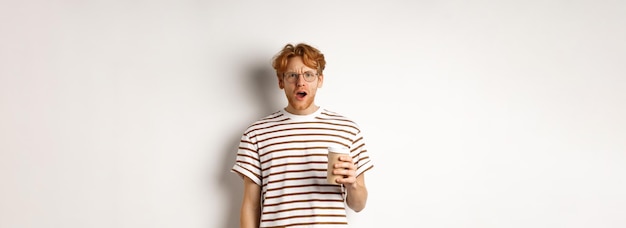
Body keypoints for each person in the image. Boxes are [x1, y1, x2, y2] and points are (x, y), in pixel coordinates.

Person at [231, 43, 374, 228]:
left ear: (320, 80)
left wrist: (352, 184)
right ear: (281, 81)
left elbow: (358, 205)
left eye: (309, 74)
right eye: (292, 75)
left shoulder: (347, 130)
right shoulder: (255, 134)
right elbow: (250, 206)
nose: (301, 82)